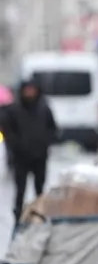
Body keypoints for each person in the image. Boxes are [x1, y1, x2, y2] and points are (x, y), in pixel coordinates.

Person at [3, 78, 57, 223]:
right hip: (21, 157)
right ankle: (18, 214)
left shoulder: (43, 108)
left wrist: (45, 143)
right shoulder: (14, 109)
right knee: (20, 188)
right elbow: (7, 130)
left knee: (40, 187)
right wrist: (16, 145)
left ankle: (40, 213)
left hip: (39, 156)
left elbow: (52, 128)